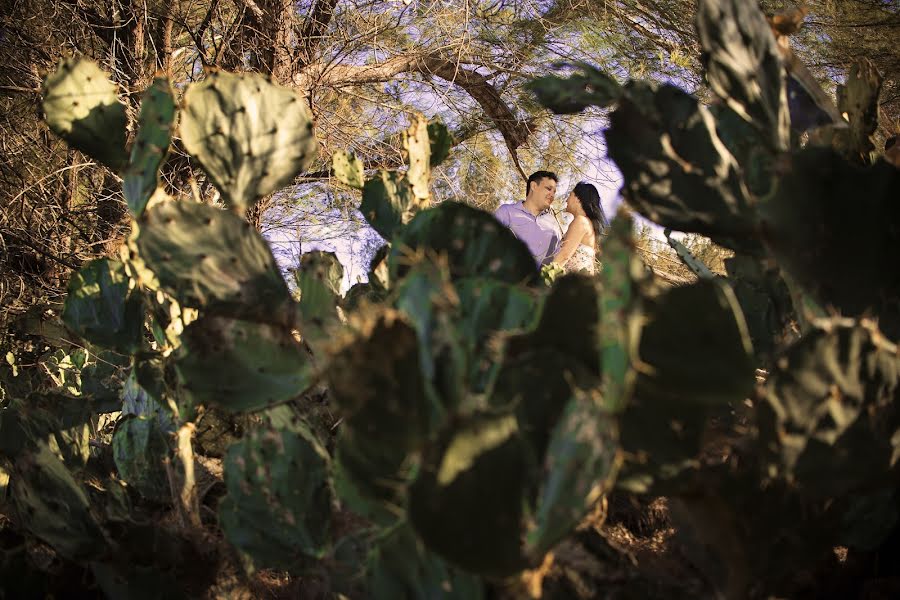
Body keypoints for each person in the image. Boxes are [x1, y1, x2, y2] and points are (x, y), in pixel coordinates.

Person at [494, 171, 562, 266]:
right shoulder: (506, 212)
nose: (552, 195)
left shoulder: (553, 225)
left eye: (554, 192)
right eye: (549, 189)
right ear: (534, 186)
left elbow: (556, 261)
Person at [552, 182, 608, 275]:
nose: (566, 200)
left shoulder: (581, 222)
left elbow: (565, 255)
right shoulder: (587, 224)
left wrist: (546, 275)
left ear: (578, 199)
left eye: (570, 195)